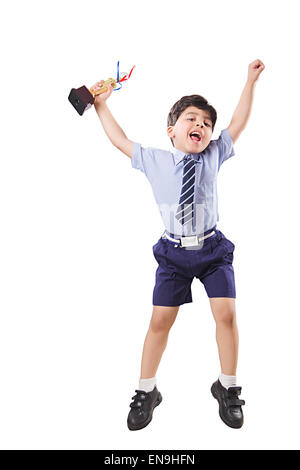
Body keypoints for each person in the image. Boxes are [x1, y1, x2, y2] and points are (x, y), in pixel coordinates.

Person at [93, 59, 265, 430]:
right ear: (171, 131)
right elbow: (120, 139)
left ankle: (228, 387)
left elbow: (238, 122)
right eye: (191, 119)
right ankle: (146, 390)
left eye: (205, 123)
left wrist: (249, 81)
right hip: (172, 253)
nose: (200, 126)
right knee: (160, 322)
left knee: (227, 315)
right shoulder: (154, 160)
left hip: (213, 250)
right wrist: (101, 105)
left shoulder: (214, 154)